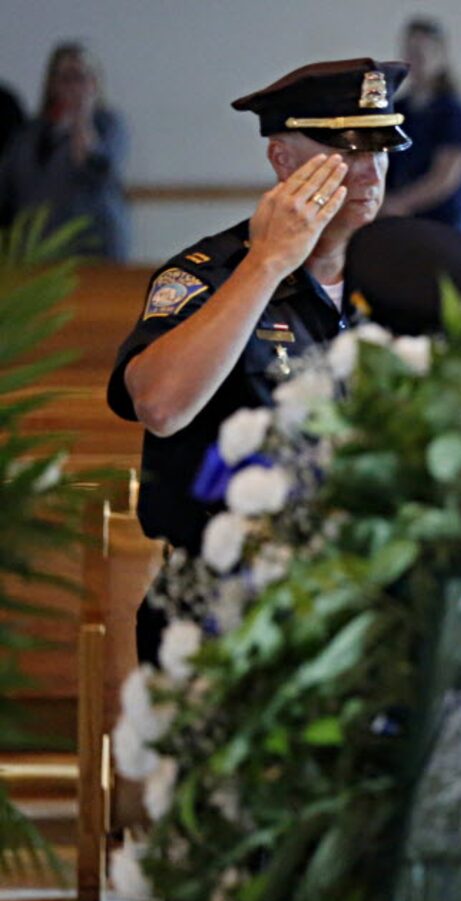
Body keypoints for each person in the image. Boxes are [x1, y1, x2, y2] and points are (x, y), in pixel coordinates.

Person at [106, 58, 411, 663]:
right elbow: (160, 405)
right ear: (282, 159)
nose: (369, 168)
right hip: (226, 609)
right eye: (346, 146)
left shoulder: (400, 285)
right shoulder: (210, 275)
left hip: (361, 613)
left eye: (380, 145)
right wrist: (267, 264)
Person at [0, 42, 129, 259]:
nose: (72, 86)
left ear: (95, 82)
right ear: (51, 83)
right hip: (35, 247)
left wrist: (82, 117)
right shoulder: (30, 133)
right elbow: (8, 184)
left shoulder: (107, 125)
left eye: (80, 77)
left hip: (90, 244)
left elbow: (96, 168)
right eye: (64, 78)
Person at [382, 16, 461, 229]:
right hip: (400, 221)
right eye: (410, 53)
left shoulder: (452, 113)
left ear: (440, 56)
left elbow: (446, 177)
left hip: (440, 222)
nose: (416, 61)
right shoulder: (399, 109)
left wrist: (400, 203)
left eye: (422, 54)